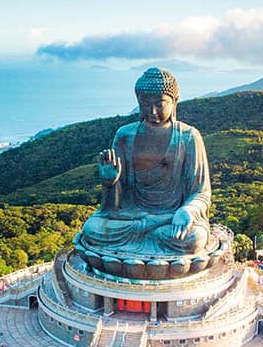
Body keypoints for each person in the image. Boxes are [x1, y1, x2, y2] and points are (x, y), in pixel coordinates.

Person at [78, 68, 211, 258]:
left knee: (194, 238)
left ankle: (147, 241)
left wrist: (188, 211)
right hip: (132, 217)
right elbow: (113, 207)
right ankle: (151, 239)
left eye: (160, 104)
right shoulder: (124, 135)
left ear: (174, 101)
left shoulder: (189, 137)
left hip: (171, 217)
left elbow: (201, 193)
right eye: (145, 104)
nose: (152, 111)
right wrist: (110, 183)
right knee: (92, 229)